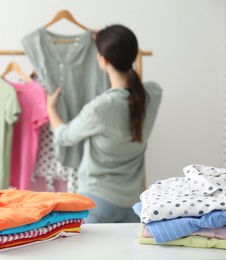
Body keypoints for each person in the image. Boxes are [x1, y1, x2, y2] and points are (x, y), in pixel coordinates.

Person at [46, 24, 162, 223]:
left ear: (103, 59)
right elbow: (139, 90)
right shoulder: (153, 94)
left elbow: (64, 136)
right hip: (133, 205)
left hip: (97, 204)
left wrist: (51, 109)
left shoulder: (100, 108)